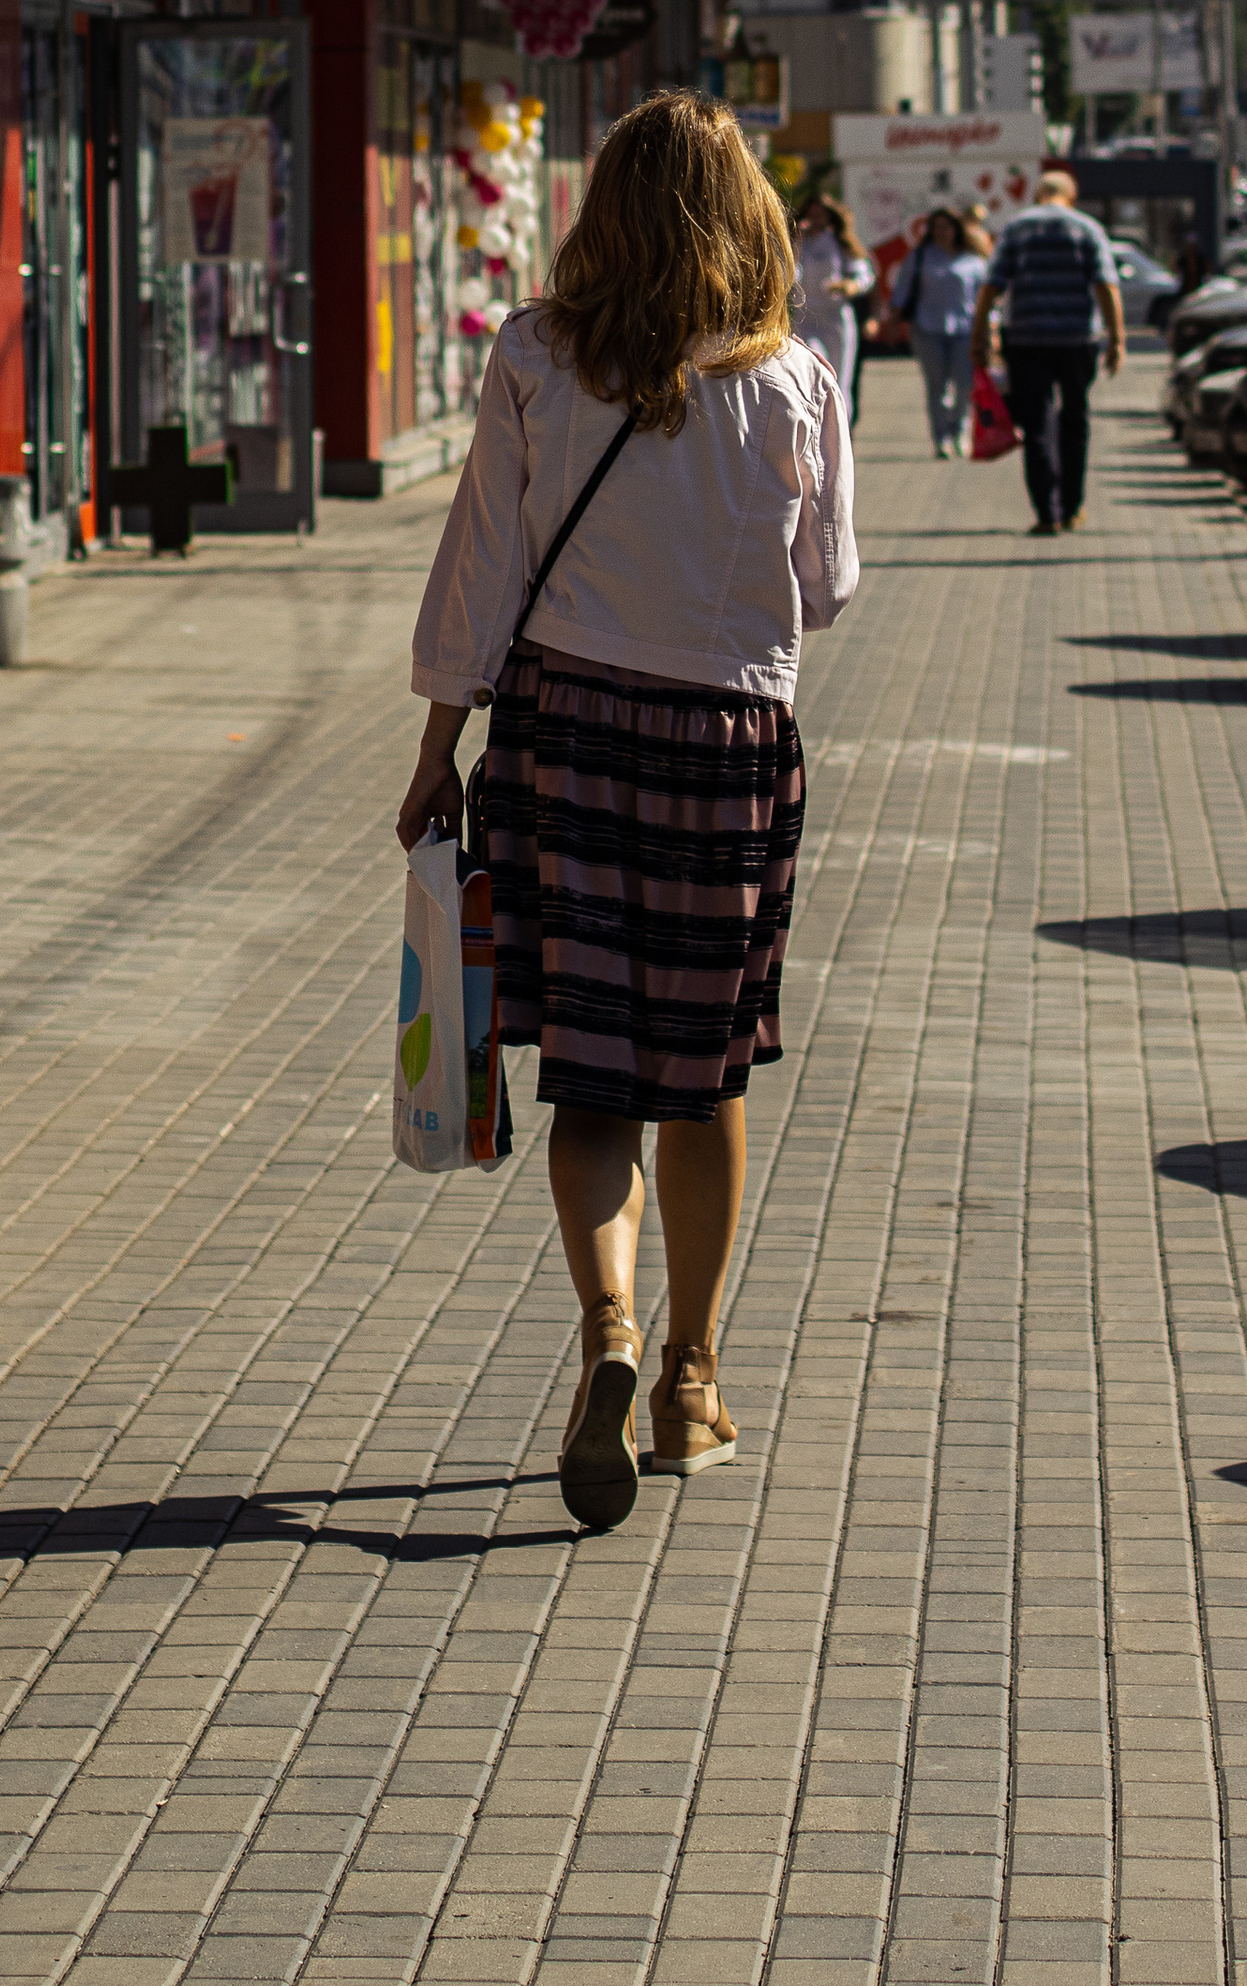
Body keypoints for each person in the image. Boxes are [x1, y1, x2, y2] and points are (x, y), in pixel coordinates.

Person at [398, 92, 858, 1533]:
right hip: (724, 746)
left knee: (591, 1080)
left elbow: (482, 566)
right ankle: (688, 1377)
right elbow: (830, 589)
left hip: (562, 734)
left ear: (604, 207)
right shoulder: (796, 382)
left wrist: (436, 747)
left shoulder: (535, 355)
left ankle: (600, 1328)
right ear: (751, 218)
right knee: (703, 1076)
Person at [976, 165, 1126, 535]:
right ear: (1071, 198)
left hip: (1026, 340)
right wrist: (1117, 340)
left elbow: (991, 286)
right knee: (1075, 420)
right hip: (1077, 341)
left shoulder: (1016, 228)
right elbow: (1107, 286)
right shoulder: (1086, 228)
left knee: (1037, 424)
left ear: (1037, 195)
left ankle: (1047, 513)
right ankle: (1073, 508)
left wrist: (978, 335)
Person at [889, 203, 988, 457]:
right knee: (938, 386)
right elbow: (902, 291)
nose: (942, 232)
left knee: (965, 385)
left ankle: (960, 432)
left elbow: (986, 300)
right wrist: (892, 321)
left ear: (957, 229)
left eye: (947, 227)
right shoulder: (920, 256)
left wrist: (991, 331)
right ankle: (941, 437)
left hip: (965, 330)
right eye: (937, 227)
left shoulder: (973, 260)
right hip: (927, 328)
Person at [791, 191, 874, 406]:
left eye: (821, 216)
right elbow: (790, 278)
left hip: (836, 318)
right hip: (806, 318)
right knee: (812, 368)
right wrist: (797, 242)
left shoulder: (840, 242)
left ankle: (843, 430)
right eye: (812, 216)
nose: (816, 221)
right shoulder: (799, 245)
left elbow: (863, 274)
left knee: (840, 380)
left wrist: (850, 286)